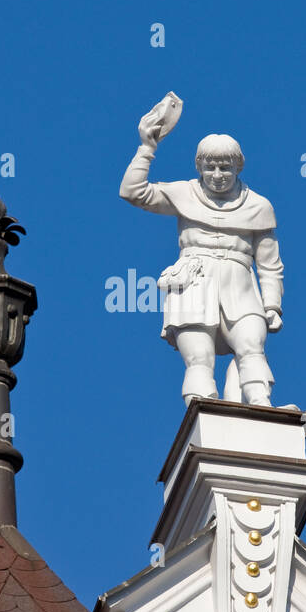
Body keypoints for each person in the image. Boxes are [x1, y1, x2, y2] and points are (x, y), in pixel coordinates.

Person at [120, 110, 284, 406]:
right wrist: (147, 147)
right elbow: (133, 192)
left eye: (225, 168)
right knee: (199, 357)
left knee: (251, 347)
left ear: (238, 167)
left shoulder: (259, 206)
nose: (218, 176)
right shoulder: (185, 193)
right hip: (193, 281)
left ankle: (261, 405)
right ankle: (200, 411)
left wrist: (272, 304)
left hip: (241, 285)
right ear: (199, 167)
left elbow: (269, 265)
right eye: (210, 168)